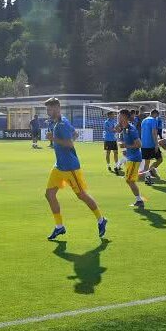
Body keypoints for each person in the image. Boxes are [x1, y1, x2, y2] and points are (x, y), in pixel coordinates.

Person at [43, 98, 108, 241]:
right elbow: (76, 134)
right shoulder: (62, 121)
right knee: (49, 194)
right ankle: (59, 226)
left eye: (50, 109)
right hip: (59, 166)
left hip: (71, 168)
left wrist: (53, 139)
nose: (48, 112)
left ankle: (101, 219)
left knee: (82, 195)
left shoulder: (61, 125)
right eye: (47, 109)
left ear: (58, 108)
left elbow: (69, 143)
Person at [118, 110, 145, 208]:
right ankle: (139, 200)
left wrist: (126, 146)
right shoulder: (125, 128)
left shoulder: (131, 129)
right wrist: (126, 148)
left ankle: (139, 200)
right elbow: (116, 129)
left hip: (134, 158)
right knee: (129, 180)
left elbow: (139, 144)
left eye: (120, 116)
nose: (118, 117)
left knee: (129, 180)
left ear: (125, 117)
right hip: (130, 157)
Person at [139, 109, 161, 182]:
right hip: (151, 144)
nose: (157, 117)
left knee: (147, 162)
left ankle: (146, 177)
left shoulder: (144, 120)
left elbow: (142, 132)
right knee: (160, 159)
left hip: (144, 144)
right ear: (155, 114)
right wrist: (156, 144)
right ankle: (150, 171)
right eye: (157, 116)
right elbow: (154, 133)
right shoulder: (153, 120)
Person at [103, 110, 120, 174]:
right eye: (112, 114)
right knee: (108, 153)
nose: (114, 115)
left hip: (114, 139)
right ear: (109, 115)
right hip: (108, 140)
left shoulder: (114, 121)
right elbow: (110, 129)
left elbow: (116, 129)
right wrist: (115, 129)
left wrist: (117, 129)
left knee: (116, 153)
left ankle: (116, 165)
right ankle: (108, 165)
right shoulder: (106, 122)